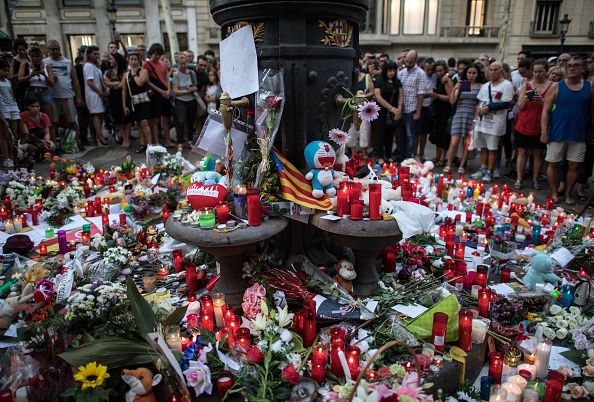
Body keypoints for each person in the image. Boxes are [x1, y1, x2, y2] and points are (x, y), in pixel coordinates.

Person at [541, 56, 594, 205]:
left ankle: (568, 193)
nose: (571, 68)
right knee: (553, 163)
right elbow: (545, 111)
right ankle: (554, 192)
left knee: (575, 165)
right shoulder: (557, 86)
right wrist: (544, 132)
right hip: (557, 131)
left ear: (583, 69)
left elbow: (592, 112)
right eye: (569, 66)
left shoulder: (590, 86)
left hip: (578, 133)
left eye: (576, 65)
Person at [470, 62, 514, 183]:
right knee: (483, 147)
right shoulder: (485, 86)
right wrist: (474, 120)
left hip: (495, 123)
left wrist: (489, 108)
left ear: (502, 72)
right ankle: (483, 168)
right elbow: (479, 103)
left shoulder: (506, 85)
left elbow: (507, 103)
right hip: (481, 122)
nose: (493, 72)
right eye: (491, 70)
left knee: (492, 148)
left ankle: (490, 171)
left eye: (496, 70)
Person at [514, 59, 550, 190]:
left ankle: (535, 179)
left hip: (540, 124)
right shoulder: (527, 85)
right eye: (535, 71)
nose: (537, 74)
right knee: (522, 152)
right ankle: (519, 178)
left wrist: (541, 100)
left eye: (540, 71)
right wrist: (524, 100)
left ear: (546, 71)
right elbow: (520, 107)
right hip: (525, 122)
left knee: (538, 153)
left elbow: (553, 107)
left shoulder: (552, 86)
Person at [444, 63, 485, 174]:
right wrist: (455, 89)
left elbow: (479, 105)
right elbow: (452, 101)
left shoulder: (480, 86)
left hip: (471, 115)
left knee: (466, 142)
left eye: (474, 73)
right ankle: (448, 165)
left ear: (478, 74)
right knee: (454, 142)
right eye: (469, 73)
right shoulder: (461, 84)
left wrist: (475, 120)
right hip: (459, 114)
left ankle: (462, 165)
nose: (471, 75)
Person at [44, 40, 85, 151]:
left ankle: (77, 141)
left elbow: (75, 80)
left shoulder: (67, 62)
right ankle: (55, 144)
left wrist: (78, 96)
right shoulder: (45, 62)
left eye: (57, 48)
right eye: (52, 49)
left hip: (67, 95)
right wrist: (50, 78)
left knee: (72, 120)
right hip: (52, 96)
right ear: (48, 50)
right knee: (54, 121)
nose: (55, 51)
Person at [17, 46, 56, 144]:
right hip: (31, 91)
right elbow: (20, 80)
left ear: (41, 56)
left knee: (49, 121)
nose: (35, 58)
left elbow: (52, 83)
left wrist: (44, 74)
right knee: (30, 117)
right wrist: (31, 75)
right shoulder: (24, 65)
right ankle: (33, 144)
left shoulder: (47, 66)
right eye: (32, 56)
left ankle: (53, 144)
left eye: (37, 56)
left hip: (44, 92)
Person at [143, 43, 175, 147]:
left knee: (166, 119)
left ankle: (167, 140)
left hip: (165, 93)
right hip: (155, 95)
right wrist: (160, 91)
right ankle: (156, 142)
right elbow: (147, 81)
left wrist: (168, 90)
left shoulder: (162, 64)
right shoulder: (146, 64)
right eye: (156, 54)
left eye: (159, 55)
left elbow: (166, 77)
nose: (157, 57)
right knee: (156, 120)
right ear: (151, 53)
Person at [397, 50, 426, 159]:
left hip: (412, 109)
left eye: (411, 62)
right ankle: (402, 154)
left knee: (410, 134)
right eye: (407, 62)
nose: (408, 64)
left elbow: (421, 94)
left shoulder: (420, 73)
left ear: (415, 61)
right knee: (401, 134)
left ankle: (409, 156)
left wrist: (418, 112)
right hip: (402, 109)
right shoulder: (402, 72)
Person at [122, 52, 151, 154]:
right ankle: (142, 143)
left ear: (139, 60)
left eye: (135, 59)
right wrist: (124, 105)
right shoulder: (126, 75)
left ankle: (150, 145)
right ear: (128, 61)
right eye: (131, 59)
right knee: (138, 123)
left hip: (143, 100)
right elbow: (124, 91)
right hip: (133, 102)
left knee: (144, 122)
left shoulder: (143, 72)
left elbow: (140, 83)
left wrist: (134, 74)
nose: (133, 62)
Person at [374, 60, 403, 163]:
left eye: (394, 70)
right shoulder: (379, 81)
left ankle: (389, 155)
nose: (392, 73)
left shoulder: (397, 82)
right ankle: (380, 156)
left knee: (390, 134)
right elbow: (379, 97)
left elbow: (400, 96)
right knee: (381, 134)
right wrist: (392, 108)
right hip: (382, 111)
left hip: (393, 112)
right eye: (390, 70)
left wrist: (398, 109)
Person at [83, 46, 110, 148]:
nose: (97, 56)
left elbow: (100, 80)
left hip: (99, 92)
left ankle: (98, 134)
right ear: (89, 54)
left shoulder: (96, 66)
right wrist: (99, 92)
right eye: (94, 54)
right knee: (96, 114)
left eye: (97, 54)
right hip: (93, 93)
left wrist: (104, 89)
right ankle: (99, 136)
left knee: (101, 112)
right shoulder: (88, 66)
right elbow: (89, 82)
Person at [348, 58, 375, 158]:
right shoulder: (349, 77)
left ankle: (364, 152)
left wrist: (363, 96)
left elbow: (372, 91)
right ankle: (353, 152)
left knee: (365, 129)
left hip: (364, 106)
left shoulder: (366, 77)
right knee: (351, 129)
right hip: (352, 106)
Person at [104, 52, 131, 148]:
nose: (110, 61)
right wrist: (115, 84)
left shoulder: (124, 71)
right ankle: (123, 138)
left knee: (126, 118)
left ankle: (127, 139)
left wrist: (113, 84)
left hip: (124, 96)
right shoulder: (109, 72)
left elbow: (122, 85)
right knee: (118, 119)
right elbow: (106, 83)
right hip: (113, 98)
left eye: (111, 59)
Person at [172, 56, 198, 152]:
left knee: (191, 121)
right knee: (181, 121)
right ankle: (180, 142)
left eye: (184, 63)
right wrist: (187, 91)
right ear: (178, 64)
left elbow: (195, 86)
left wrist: (193, 89)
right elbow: (175, 91)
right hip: (180, 100)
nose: (183, 65)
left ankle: (190, 141)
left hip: (191, 100)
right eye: (181, 64)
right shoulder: (176, 74)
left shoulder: (192, 73)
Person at [430, 60, 453, 166]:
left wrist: (438, 96)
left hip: (445, 110)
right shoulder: (438, 80)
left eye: (441, 70)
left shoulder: (447, 80)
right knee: (438, 134)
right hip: (438, 111)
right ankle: (437, 155)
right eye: (437, 71)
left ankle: (442, 158)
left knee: (443, 135)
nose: (439, 73)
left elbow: (450, 98)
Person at [416, 57, 436, 162]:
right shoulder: (421, 75)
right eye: (428, 69)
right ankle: (415, 154)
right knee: (417, 133)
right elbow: (420, 94)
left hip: (430, 108)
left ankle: (422, 154)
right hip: (420, 107)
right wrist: (429, 95)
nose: (430, 72)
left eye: (432, 69)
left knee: (424, 133)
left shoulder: (435, 77)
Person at [0, 58, 19, 167]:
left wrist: (15, 107)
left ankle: (15, 155)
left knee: (13, 134)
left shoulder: (8, 82)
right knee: (4, 135)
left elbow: (12, 95)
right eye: (4, 70)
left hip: (12, 108)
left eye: (7, 70)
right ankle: (6, 157)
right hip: (3, 109)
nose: (6, 73)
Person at [9, 38, 29, 109]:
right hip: (19, 89)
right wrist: (20, 73)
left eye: (23, 49)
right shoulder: (14, 60)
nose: (22, 52)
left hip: (29, 86)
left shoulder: (29, 59)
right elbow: (10, 76)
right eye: (19, 50)